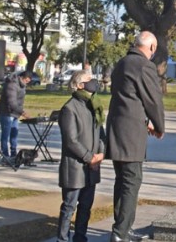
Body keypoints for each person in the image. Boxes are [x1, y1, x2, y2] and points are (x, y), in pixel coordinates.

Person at [106, 31, 166, 242]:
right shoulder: (144, 65)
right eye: (154, 50)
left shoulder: (122, 63)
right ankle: (121, 233)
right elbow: (153, 100)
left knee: (121, 180)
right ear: (151, 48)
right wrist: (159, 125)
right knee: (131, 181)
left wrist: (145, 120)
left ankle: (120, 227)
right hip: (131, 134)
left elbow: (129, 98)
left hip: (117, 128)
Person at [56, 70, 105, 242]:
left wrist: (100, 155)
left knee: (86, 206)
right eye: (88, 79)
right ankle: (62, 239)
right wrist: (89, 158)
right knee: (69, 206)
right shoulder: (70, 108)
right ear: (79, 85)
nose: (93, 82)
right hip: (75, 167)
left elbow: (101, 134)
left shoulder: (93, 106)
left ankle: (80, 237)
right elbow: (71, 140)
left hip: (92, 167)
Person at [0, 70, 32, 161]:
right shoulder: (12, 84)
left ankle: (13, 154)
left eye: (29, 81)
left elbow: (20, 101)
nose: (27, 83)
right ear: (22, 77)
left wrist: (19, 112)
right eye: (27, 80)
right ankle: (5, 155)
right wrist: (23, 113)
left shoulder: (22, 85)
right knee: (6, 135)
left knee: (14, 134)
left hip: (15, 113)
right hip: (6, 113)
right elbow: (11, 102)